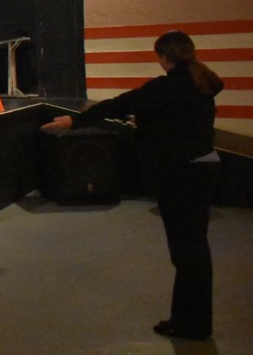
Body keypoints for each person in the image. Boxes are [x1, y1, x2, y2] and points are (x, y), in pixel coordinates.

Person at [41, 30, 222, 341]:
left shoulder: (165, 87)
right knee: (194, 249)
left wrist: (75, 121)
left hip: (179, 175)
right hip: (204, 169)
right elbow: (173, 124)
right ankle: (188, 319)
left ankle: (193, 324)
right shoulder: (203, 84)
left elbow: (121, 104)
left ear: (165, 58)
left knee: (186, 253)